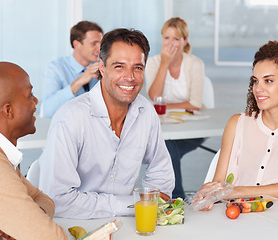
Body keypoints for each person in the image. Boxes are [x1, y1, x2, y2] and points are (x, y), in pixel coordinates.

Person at [38, 28, 175, 219]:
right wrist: (135, 203)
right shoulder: (70, 118)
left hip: (128, 225)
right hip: (74, 226)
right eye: (119, 66)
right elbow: (58, 200)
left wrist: (154, 200)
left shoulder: (146, 112)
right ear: (101, 68)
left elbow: (161, 171)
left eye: (138, 67)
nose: (130, 77)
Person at [194, 41, 278, 209]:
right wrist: (208, 196)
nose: (258, 89)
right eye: (255, 81)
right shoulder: (236, 123)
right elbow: (218, 182)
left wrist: (235, 192)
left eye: (268, 81)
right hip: (235, 218)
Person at [0, 62, 67, 239]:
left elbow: (43, 198)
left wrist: (27, 220)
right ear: (8, 110)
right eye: (29, 95)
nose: (36, 101)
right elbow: (53, 237)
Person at [145, 17, 207, 199]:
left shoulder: (195, 64)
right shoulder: (154, 63)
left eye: (176, 39)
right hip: (164, 127)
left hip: (192, 127)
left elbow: (195, 103)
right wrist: (164, 63)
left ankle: (174, 197)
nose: (170, 43)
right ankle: (177, 198)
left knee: (167, 150)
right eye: (167, 38)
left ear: (185, 41)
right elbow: (154, 97)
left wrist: (165, 106)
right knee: (169, 147)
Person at [42, 21, 103, 117]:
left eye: (101, 43)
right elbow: (48, 111)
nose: (99, 48)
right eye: (94, 43)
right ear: (76, 44)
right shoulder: (56, 68)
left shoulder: (103, 67)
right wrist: (79, 81)